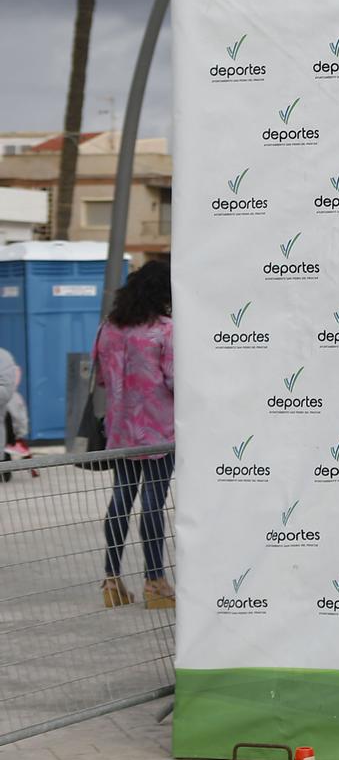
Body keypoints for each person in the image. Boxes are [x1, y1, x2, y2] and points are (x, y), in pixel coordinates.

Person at [94, 260, 175, 609]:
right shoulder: (165, 330)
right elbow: (175, 380)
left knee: (120, 502)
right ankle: (155, 582)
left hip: (121, 432)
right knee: (153, 504)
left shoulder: (108, 329)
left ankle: (111, 581)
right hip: (159, 432)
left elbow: (100, 379)